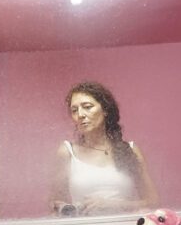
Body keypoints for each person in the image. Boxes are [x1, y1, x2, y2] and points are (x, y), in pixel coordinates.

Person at [50, 81, 159, 216]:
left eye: (87, 107)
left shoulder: (130, 150)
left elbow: (153, 201)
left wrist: (117, 204)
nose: (80, 114)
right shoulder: (67, 151)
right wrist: (65, 209)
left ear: (105, 110)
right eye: (74, 110)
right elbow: (54, 203)